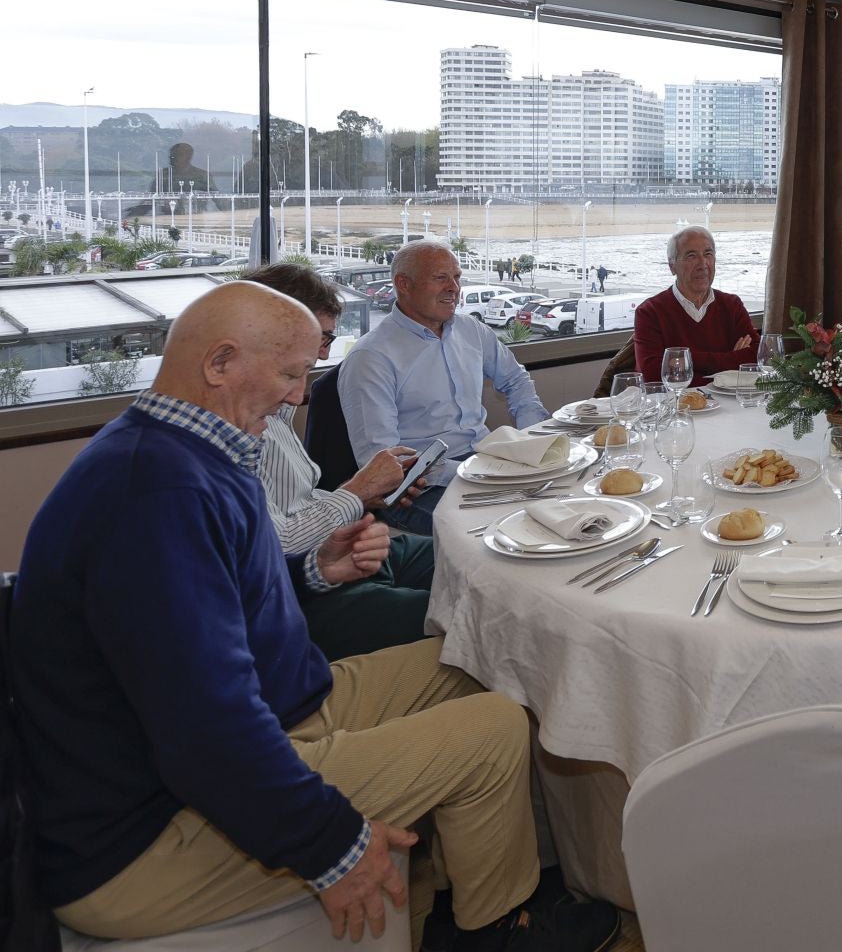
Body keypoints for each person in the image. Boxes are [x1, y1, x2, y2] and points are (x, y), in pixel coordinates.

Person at [10, 282, 617, 951]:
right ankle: (493, 928)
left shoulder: (184, 449)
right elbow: (206, 733)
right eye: (293, 373)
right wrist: (332, 844)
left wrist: (313, 569)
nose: (301, 395)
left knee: (478, 653)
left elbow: (214, 610)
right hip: (148, 836)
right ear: (219, 364)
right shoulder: (156, 495)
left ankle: (468, 899)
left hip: (274, 712)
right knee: (492, 723)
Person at [240, 262, 438, 661]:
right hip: (303, 593)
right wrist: (358, 491)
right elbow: (281, 543)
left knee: (468, 557)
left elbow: (296, 500)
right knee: (455, 611)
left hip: (331, 551)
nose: (325, 351)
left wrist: (369, 494)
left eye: (328, 337)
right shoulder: (235, 425)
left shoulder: (276, 406)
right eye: (320, 337)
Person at [338, 240, 549, 534]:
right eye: (440, 278)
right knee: (509, 529)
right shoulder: (372, 357)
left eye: (457, 277)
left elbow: (516, 381)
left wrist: (532, 439)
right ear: (404, 284)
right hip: (419, 486)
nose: (454, 288)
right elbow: (383, 459)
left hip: (486, 460)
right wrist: (474, 471)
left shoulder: (471, 330)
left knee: (561, 498)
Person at [631, 225, 756, 385]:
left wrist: (686, 359)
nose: (702, 264)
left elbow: (754, 359)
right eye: (691, 256)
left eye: (708, 254)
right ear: (672, 266)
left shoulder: (732, 305)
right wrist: (729, 365)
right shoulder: (649, 312)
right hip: (674, 407)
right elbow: (653, 376)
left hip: (728, 404)